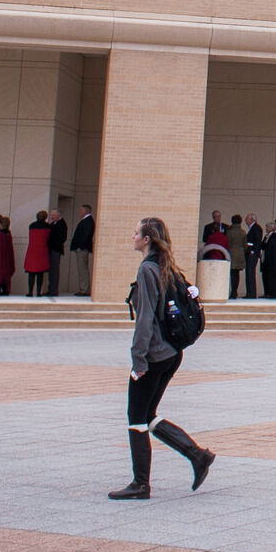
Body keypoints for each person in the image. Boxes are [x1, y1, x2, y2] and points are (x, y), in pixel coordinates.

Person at [109, 215, 215, 501]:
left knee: (136, 418)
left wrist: (138, 360)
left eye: (135, 233)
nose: (132, 237)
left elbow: (144, 320)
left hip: (154, 355)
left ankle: (141, 484)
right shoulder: (167, 266)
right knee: (148, 415)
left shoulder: (147, 270)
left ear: (146, 240)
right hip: (172, 353)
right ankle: (198, 455)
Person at [24, 211, 53, 297]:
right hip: (42, 251)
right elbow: (48, 238)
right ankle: (38, 292)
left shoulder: (32, 225)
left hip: (32, 251)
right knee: (40, 274)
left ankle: (30, 291)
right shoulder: (47, 226)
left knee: (31, 274)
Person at [70, 205, 95, 296]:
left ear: (86, 211)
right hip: (81, 248)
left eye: (81, 210)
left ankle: (85, 289)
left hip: (82, 249)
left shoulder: (88, 221)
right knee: (81, 269)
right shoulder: (86, 221)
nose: (80, 212)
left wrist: (80, 246)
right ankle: (83, 288)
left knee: (83, 269)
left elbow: (87, 235)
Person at [261, 220, 276, 299]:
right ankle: (271, 293)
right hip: (271, 259)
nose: (275, 225)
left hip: (275, 259)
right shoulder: (275, 234)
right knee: (271, 276)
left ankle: (275, 293)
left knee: (274, 276)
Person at [225, 214, 247, 299]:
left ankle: (233, 292)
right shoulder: (243, 232)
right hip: (240, 255)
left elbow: (228, 243)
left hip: (231, 254)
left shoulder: (229, 232)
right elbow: (245, 245)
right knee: (237, 274)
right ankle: (235, 291)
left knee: (232, 274)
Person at [243, 215, 264, 299]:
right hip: (250, 253)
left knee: (250, 273)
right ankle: (249, 292)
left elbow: (257, 241)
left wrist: (253, 251)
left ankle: (251, 293)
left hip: (252, 254)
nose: (245, 220)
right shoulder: (253, 228)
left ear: (252, 220)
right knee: (248, 273)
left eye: (247, 219)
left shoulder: (256, 228)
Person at [48, 208, 69, 294]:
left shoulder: (62, 224)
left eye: (53, 215)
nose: (51, 217)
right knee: (51, 270)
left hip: (56, 250)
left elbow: (62, 238)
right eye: (51, 215)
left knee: (54, 270)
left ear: (58, 215)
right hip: (51, 249)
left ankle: (53, 290)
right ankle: (50, 289)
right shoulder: (53, 224)